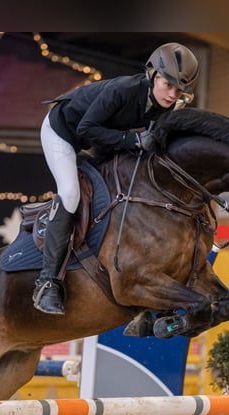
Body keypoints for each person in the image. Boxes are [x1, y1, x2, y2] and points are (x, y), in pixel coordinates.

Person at [33, 42, 200, 315]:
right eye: (168, 85)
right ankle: (47, 282)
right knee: (71, 193)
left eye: (179, 90)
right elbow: (86, 130)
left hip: (101, 140)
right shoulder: (122, 90)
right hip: (63, 131)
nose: (173, 95)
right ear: (152, 74)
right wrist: (132, 140)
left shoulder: (165, 105)